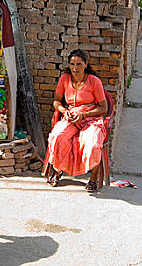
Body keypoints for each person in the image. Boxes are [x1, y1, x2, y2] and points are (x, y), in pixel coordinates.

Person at [43, 50, 108, 192]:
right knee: (57, 137)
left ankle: (93, 178)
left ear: (86, 64)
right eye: (72, 64)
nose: (75, 68)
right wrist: (64, 111)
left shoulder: (93, 81)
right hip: (71, 116)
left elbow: (104, 108)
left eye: (79, 64)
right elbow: (56, 101)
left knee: (93, 143)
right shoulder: (64, 79)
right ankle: (57, 171)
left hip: (90, 118)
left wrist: (84, 116)